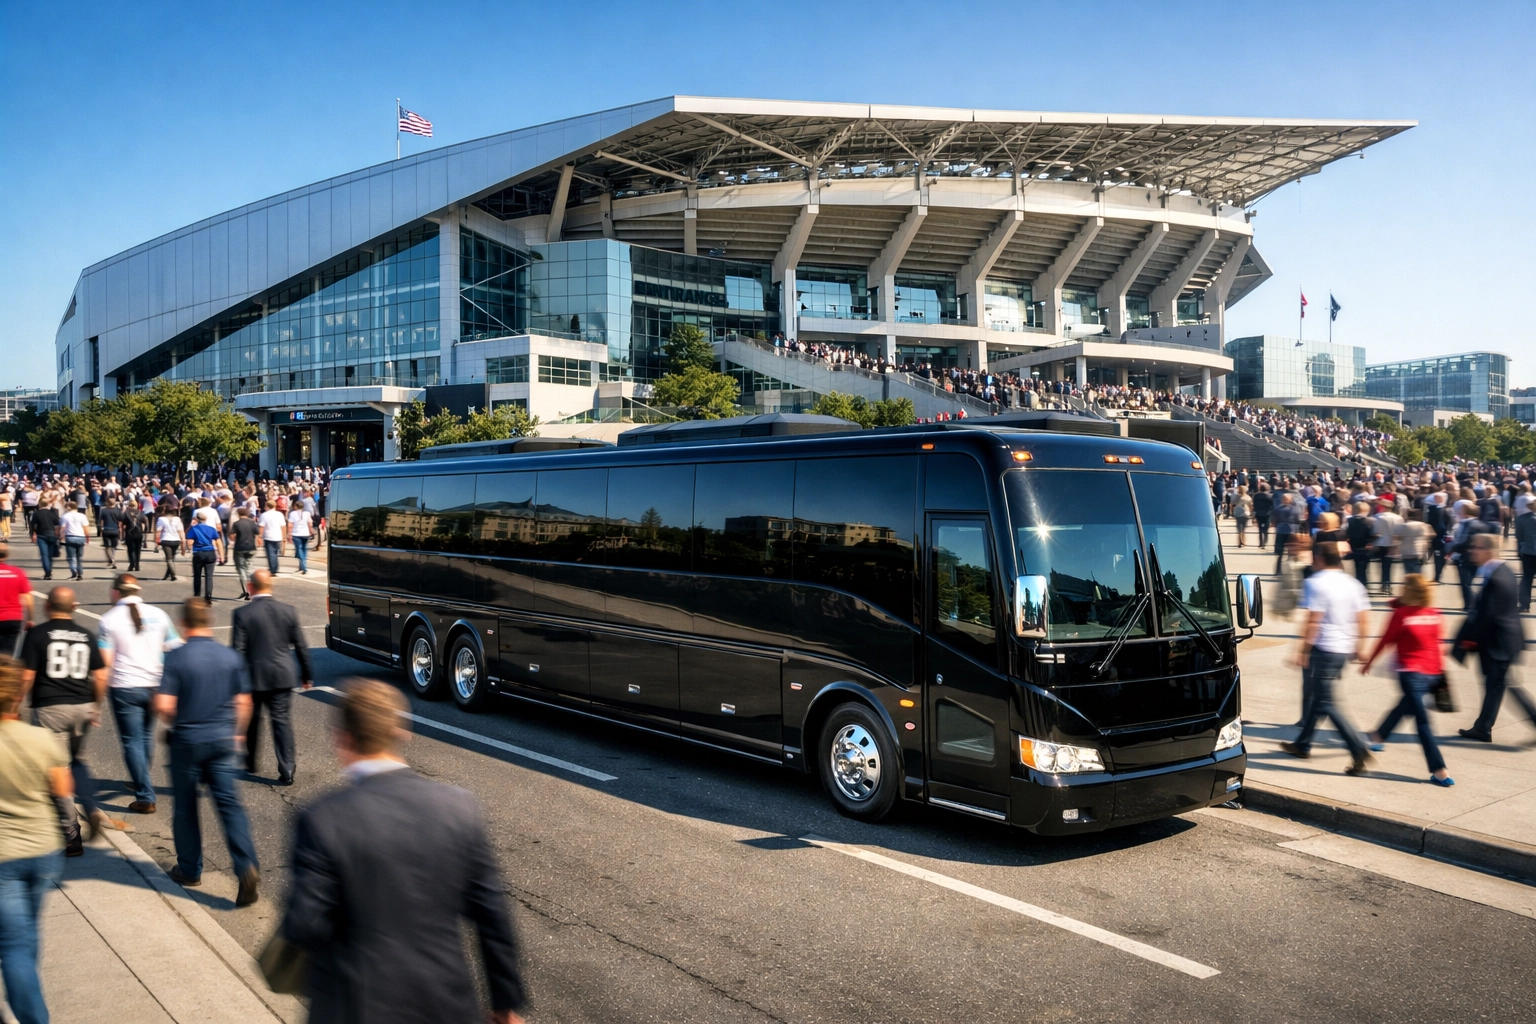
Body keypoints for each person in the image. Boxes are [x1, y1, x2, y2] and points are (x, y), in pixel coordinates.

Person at [279, 679, 526, 1024]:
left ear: (343, 739)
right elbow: (493, 917)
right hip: (446, 1005)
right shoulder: (459, 807)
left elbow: (303, 926)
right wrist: (504, 1004)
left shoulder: (322, 818)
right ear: (401, 732)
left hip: (356, 1007)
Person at [153, 598, 259, 904]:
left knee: (185, 806)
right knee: (230, 806)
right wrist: (238, 732)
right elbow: (245, 702)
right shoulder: (230, 656)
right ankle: (246, 866)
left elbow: (164, 705)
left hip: (188, 741)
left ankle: (189, 869)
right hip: (223, 739)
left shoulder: (177, 658)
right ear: (209, 621)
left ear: (183, 623)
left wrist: (176, 720)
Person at [19, 586, 131, 847]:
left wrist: (17, 705)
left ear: (47, 606)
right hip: (82, 705)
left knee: (55, 768)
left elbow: (27, 676)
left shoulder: (38, 634)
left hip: (51, 708)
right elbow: (101, 675)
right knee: (76, 760)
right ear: (73, 607)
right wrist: (96, 706)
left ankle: (70, 830)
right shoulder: (85, 635)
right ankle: (91, 808)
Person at [0, 655, 72, 1024]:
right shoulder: (41, 738)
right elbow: (63, 790)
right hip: (44, 849)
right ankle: (27, 989)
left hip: (4, 857)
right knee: (26, 935)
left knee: (13, 943)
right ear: (19, 695)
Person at [1281, 542, 1374, 774]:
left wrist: (1302, 650)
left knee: (1326, 702)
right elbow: (1363, 619)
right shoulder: (1353, 584)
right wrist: (1361, 646)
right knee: (1319, 698)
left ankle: (1358, 749)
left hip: (1324, 649)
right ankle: (1302, 744)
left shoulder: (1315, 582)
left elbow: (1313, 620)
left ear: (1319, 559)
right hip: (1343, 650)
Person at [97, 575, 181, 814]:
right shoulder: (159, 614)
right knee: (145, 735)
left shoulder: (108, 620)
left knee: (132, 740)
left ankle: (144, 795)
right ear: (138, 590)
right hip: (156, 684)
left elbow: (105, 661)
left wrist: (97, 697)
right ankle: (141, 778)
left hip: (125, 686)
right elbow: (175, 646)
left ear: (116, 592)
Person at [1362, 575, 1453, 786]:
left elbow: (1386, 640)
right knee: (1419, 716)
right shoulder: (1432, 614)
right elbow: (1438, 645)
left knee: (1412, 711)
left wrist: (1369, 662)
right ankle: (1438, 768)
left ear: (1409, 590)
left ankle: (1380, 736)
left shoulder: (1406, 614)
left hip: (1421, 674)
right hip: (1421, 673)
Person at [232, 569, 312, 785]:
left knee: (253, 719)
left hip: (254, 677)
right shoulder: (288, 611)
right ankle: (287, 769)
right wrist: (307, 674)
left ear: (250, 587)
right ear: (270, 586)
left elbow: (237, 651)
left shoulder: (242, 614)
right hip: (282, 675)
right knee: (281, 721)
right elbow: (301, 646)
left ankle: (251, 761)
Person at [1455, 533, 1534, 743]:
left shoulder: (1497, 577)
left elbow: (1489, 615)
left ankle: (1483, 727)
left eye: (1476, 547)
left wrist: (1470, 639)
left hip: (1500, 643)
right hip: (1503, 640)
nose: (1472, 550)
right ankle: (1483, 727)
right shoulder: (1502, 570)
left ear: (1488, 551)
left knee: (1500, 685)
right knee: (1496, 686)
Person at [0, 543, 32, 658]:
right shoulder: (18, 572)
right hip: (13, 618)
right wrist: (30, 618)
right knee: (7, 656)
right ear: (7, 556)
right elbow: (28, 598)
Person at [187, 513, 223, 601]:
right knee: (209, 576)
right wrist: (221, 556)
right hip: (210, 552)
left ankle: (197, 595)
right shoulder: (212, 529)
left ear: (196, 519)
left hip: (198, 553)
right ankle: (208, 595)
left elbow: (189, 542)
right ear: (206, 519)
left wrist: (191, 547)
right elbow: (218, 542)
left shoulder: (194, 529)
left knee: (197, 575)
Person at [230, 506, 260, 599]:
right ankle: (252, 590)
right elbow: (257, 532)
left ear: (238, 514)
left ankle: (246, 591)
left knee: (241, 569)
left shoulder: (236, 524)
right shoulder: (252, 523)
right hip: (251, 547)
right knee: (250, 569)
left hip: (240, 548)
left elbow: (232, 536)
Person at [27, 500, 59, 582]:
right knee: (50, 555)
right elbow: (57, 525)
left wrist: (32, 534)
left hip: (41, 535)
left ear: (39, 505)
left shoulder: (36, 513)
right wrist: (57, 536)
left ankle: (47, 572)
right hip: (52, 534)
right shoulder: (53, 513)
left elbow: (32, 525)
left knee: (44, 555)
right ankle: (50, 570)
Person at [155, 500, 186, 581]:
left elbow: (158, 531)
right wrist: (183, 543)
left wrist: (156, 542)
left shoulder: (161, 519)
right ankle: (167, 574)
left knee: (168, 559)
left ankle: (173, 574)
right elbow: (181, 531)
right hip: (176, 540)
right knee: (172, 558)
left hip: (166, 540)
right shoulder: (177, 519)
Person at [1516, 499, 1536, 613]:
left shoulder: (1522, 518)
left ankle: (1524, 604)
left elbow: (1519, 536)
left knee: (1527, 579)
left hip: (1528, 552)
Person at [258, 503, 287, 575]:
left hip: (268, 536)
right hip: (278, 536)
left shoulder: (264, 515)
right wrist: (284, 537)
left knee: (270, 554)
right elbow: (283, 526)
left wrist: (259, 536)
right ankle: (275, 567)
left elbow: (261, 526)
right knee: (275, 553)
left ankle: (273, 569)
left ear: (267, 506)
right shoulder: (280, 514)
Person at [286, 501, 314, 574]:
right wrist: (311, 531)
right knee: (304, 549)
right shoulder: (307, 513)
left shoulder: (292, 514)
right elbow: (310, 523)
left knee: (299, 550)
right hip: (305, 533)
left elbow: (290, 525)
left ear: (295, 506)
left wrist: (289, 534)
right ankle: (302, 565)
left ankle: (304, 566)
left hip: (296, 534)